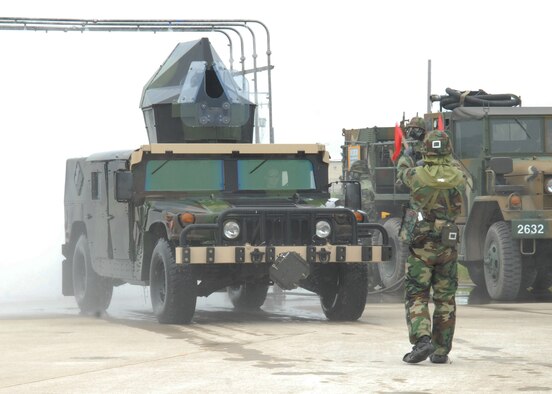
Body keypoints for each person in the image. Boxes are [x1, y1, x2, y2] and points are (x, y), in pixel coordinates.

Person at [396, 129, 466, 364]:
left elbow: (401, 173)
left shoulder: (416, 175)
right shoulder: (458, 175)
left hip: (421, 245)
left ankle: (422, 340)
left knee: (417, 294)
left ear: (425, 150)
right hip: (447, 243)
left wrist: (406, 154)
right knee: (446, 298)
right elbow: (453, 170)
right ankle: (440, 351)